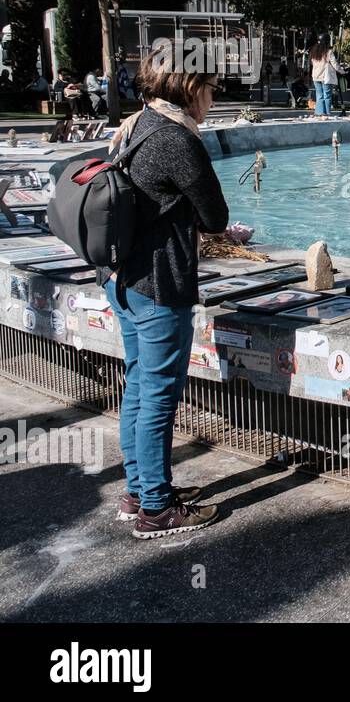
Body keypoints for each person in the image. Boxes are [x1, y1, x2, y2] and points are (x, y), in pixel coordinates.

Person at [103, 45, 229, 539]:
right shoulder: (177, 138)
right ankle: (156, 509)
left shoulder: (135, 126)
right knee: (157, 396)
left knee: (137, 388)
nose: (214, 97)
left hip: (124, 280)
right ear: (189, 85)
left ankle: (138, 492)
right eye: (211, 87)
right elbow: (215, 215)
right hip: (159, 285)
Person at [309, 41, 341, 116]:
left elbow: (312, 64)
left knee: (319, 95)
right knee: (327, 95)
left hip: (316, 77)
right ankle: (327, 113)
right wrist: (342, 71)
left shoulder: (314, 52)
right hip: (325, 77)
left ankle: (319, 113)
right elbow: (335, 65)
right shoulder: (328, 52)